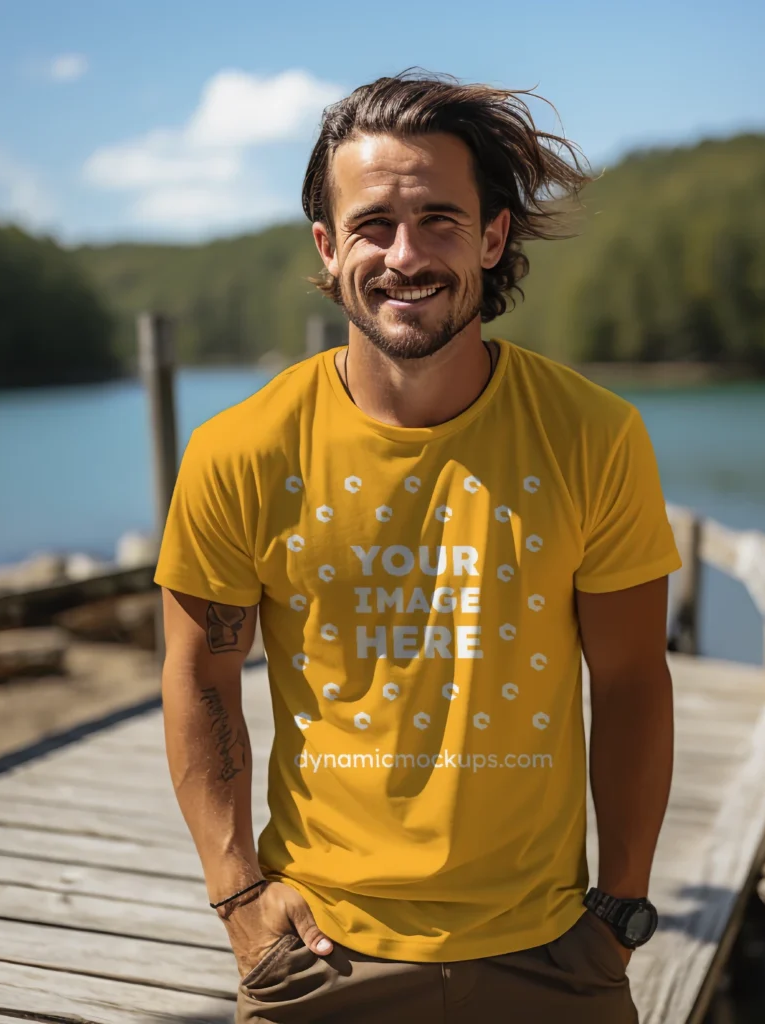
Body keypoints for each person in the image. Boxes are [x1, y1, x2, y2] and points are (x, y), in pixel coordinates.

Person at [155, 71, 681, 1024]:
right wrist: (238, 898)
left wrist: (621, 908)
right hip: (319, 954)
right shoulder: (242, 451)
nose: (406, 255)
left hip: (552, 951)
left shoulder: (593, 437)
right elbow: (199, 673)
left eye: (440, 218)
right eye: (373, 225)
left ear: (493, 236)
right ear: (327, 247)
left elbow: (635, 678)